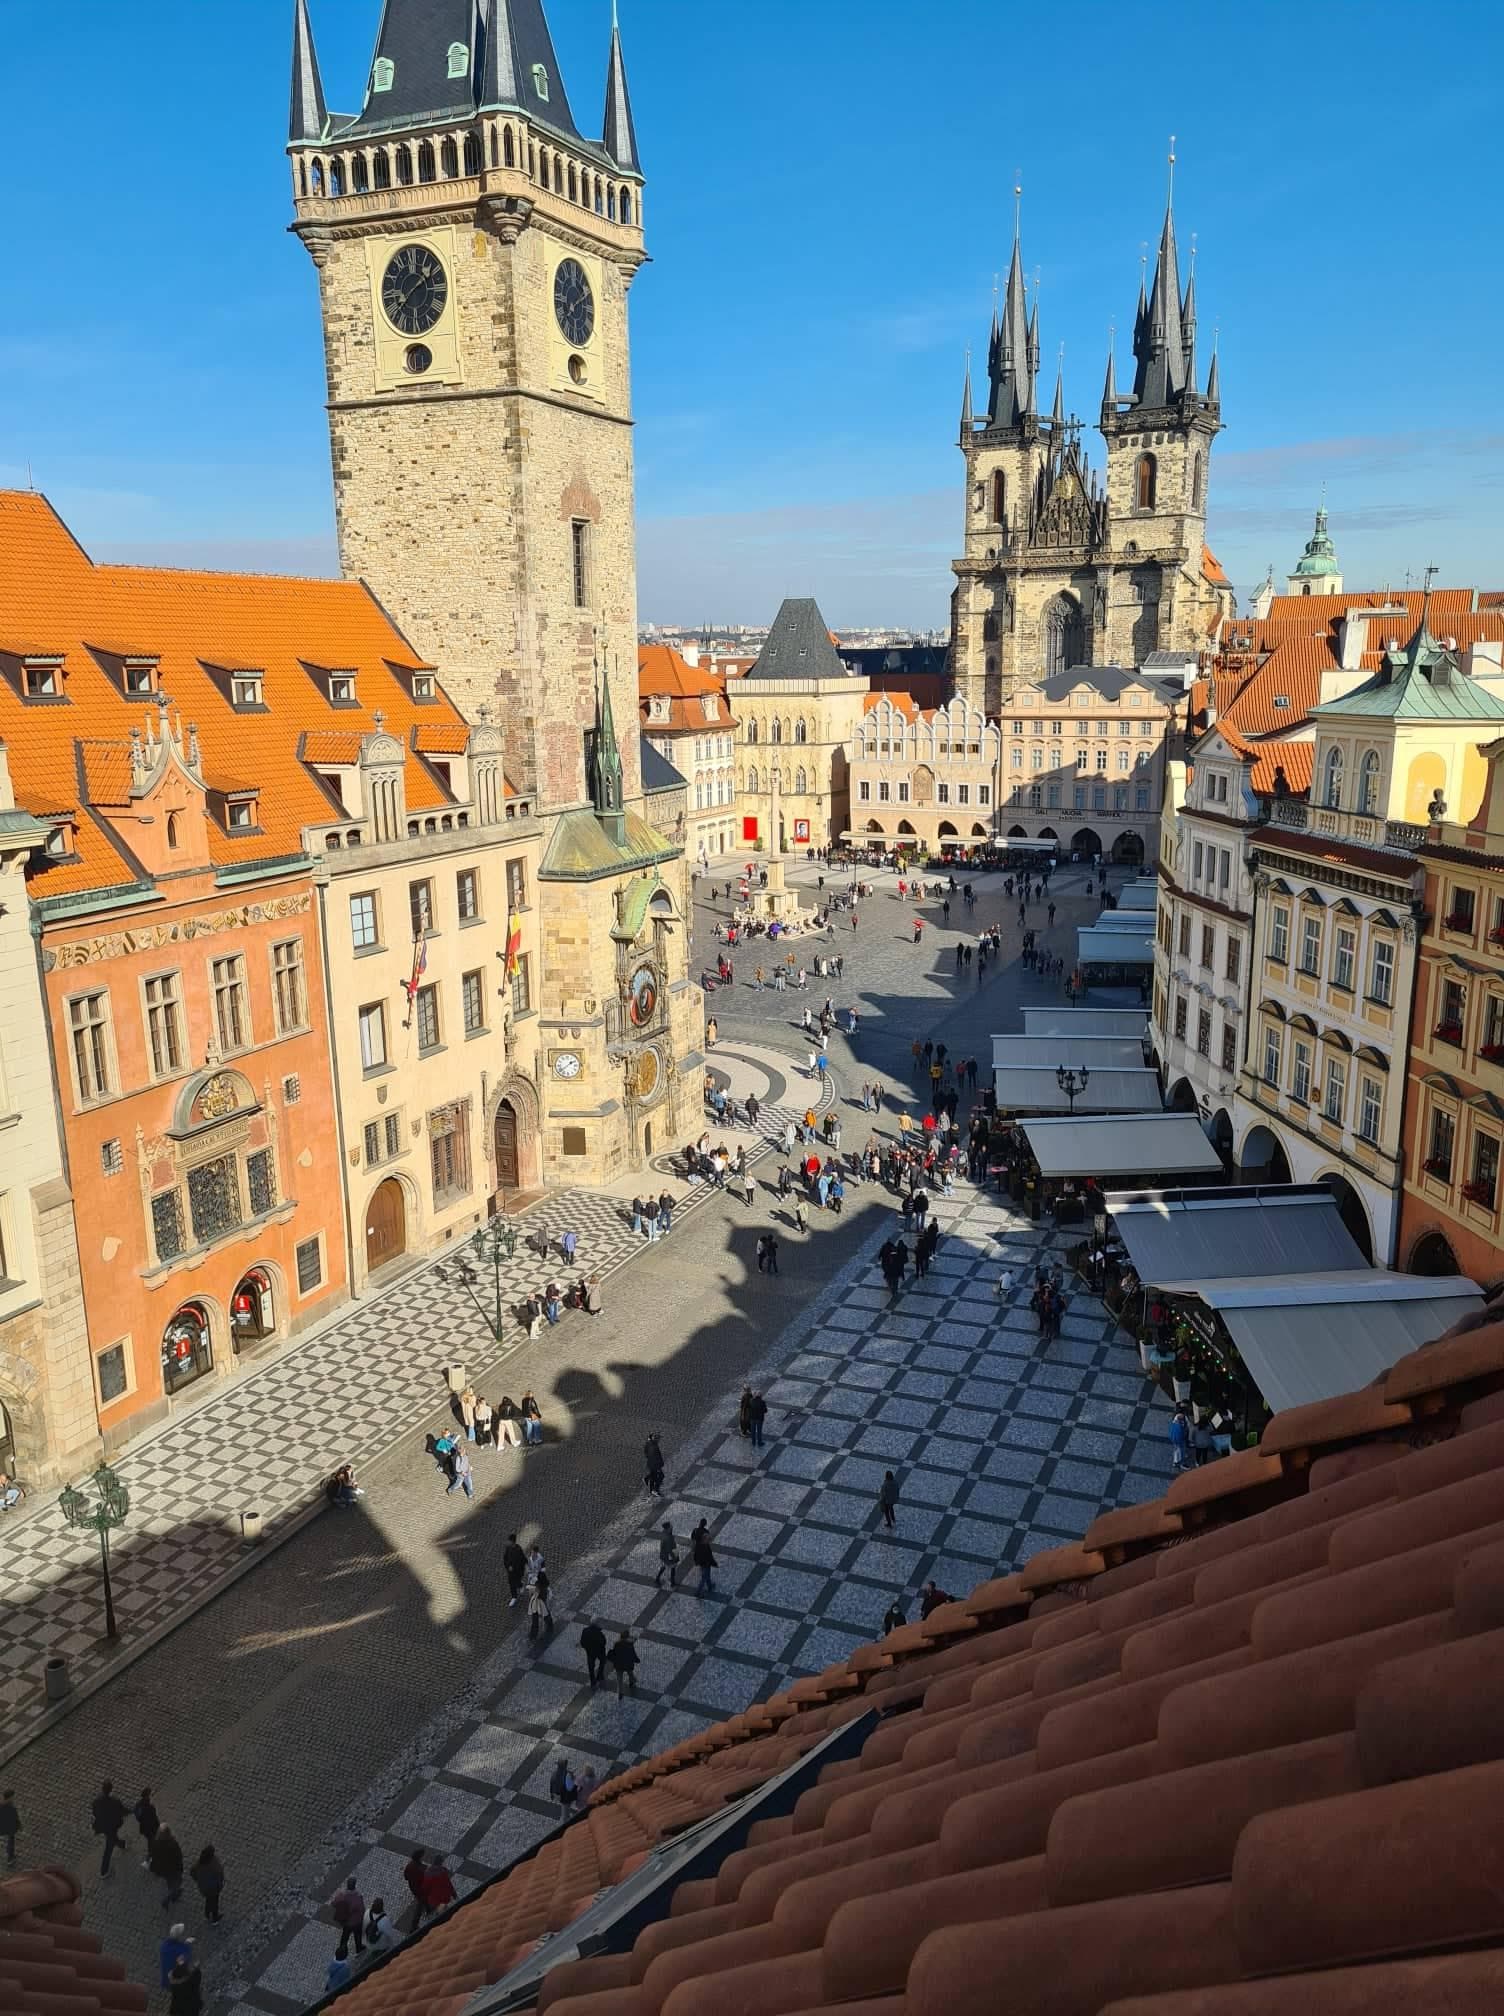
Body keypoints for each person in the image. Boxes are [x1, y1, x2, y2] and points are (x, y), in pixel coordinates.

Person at [93, 1780, 128, 1877]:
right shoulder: (115, 1801)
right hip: (112, 1826)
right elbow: (122, 1811)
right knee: (109, 1847)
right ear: (111, 1790)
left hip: (103, 1826)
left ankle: (122, 1844)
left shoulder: (97, 1801)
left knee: (111, 1840)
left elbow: (95, 1813)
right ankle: (104, 1871)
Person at [151, 1823, 185, 1909]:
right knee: (177, 1882)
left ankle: (173, 1893)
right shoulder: (172, 1844)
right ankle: (168, 1899)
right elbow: (178, 1857)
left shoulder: (155, 1842)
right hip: (173, 1869)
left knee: (170, 1881)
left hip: (163, 1870)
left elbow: (154, 1856)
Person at [190, 1844, 224, 1924]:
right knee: (214, 1903)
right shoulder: (213, 1864)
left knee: (209, 1900)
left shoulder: (198, 1863)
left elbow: (192, 1873)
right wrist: (220, 1883)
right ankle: (215, 1919)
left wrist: (199, 1881)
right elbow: (220, 1874)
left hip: (204, 1888)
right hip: (214, 1888)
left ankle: (207, 1913)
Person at [608, 1628, 640, 1700]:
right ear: (627, 1637)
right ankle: (632, 1682)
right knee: (630, 1673)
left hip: (619, 1664)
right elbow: (632, 1654)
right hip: (627, 1663)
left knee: (619, 1679)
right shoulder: (629, 1644)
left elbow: (615, 1653)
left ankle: (620, 1692)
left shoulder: (617, 1644)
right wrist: (636, 1659)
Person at [402, 1848, 431, 1926]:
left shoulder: (409, 1866)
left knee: (422, 1900)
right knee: (420, 1905)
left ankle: (428, 1908)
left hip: (413, 1888)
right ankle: (414, 1924)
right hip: (421, 1889)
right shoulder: (422, 1868)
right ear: (420, 1858)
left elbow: (406, 1877)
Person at [134, 1786, 161, 1864]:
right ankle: (150, 1856)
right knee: (151, 1841)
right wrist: (158, 1826)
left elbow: (137, 1816)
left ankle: (151, 1854)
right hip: (151, 1828)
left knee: (150, 1840)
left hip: (144, 1827)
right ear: (147, 1796)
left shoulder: (138, 1805)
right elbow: (154, 1818)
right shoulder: (150, 1807)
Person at [692, 1523, 718, 1596]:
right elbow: (708, 1557)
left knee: (707, 1575)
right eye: (707, 1539)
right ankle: (698, 1592)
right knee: (704, 1578)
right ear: (704, 1539)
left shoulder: (702, 1545)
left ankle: (710, 1586)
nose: (709, 1540)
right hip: (705, 1564)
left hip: (704, 1563)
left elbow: (696, 1554)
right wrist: (714, 1563)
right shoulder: (703, 1547)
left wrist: (696, 1561)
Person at [528, 1569, 553, 1639]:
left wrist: (534, 1592)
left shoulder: (539, 1586)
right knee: (546, 1615)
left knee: (535, 1619)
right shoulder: (545, 1584)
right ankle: (550, 1626)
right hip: (543, 1603)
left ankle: (534, 1634)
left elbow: (534, 1594)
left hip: (538, 1604)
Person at [643, 1430, 666, 1497]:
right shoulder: (654, 1447)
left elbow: (646, 1453)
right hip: (655, 1465)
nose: (659, 1440)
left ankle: (647, 1479)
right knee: (661, 1476)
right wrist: (659, 1466)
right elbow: (656, 1458)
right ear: (655, 1439)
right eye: (658, 1438)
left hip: (650, 1463)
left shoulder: (648, 1443)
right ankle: (655, 1490)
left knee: (653, 1476)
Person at [0, 1789, 16, 1865]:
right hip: (8, 1827)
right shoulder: (9, 1807)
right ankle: (10, 1858)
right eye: (12, 1797)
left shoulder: (4, 1804)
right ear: (9, 1797)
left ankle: (10, 1855)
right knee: (11, 1841)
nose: (13, 1798)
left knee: (11, 1841)